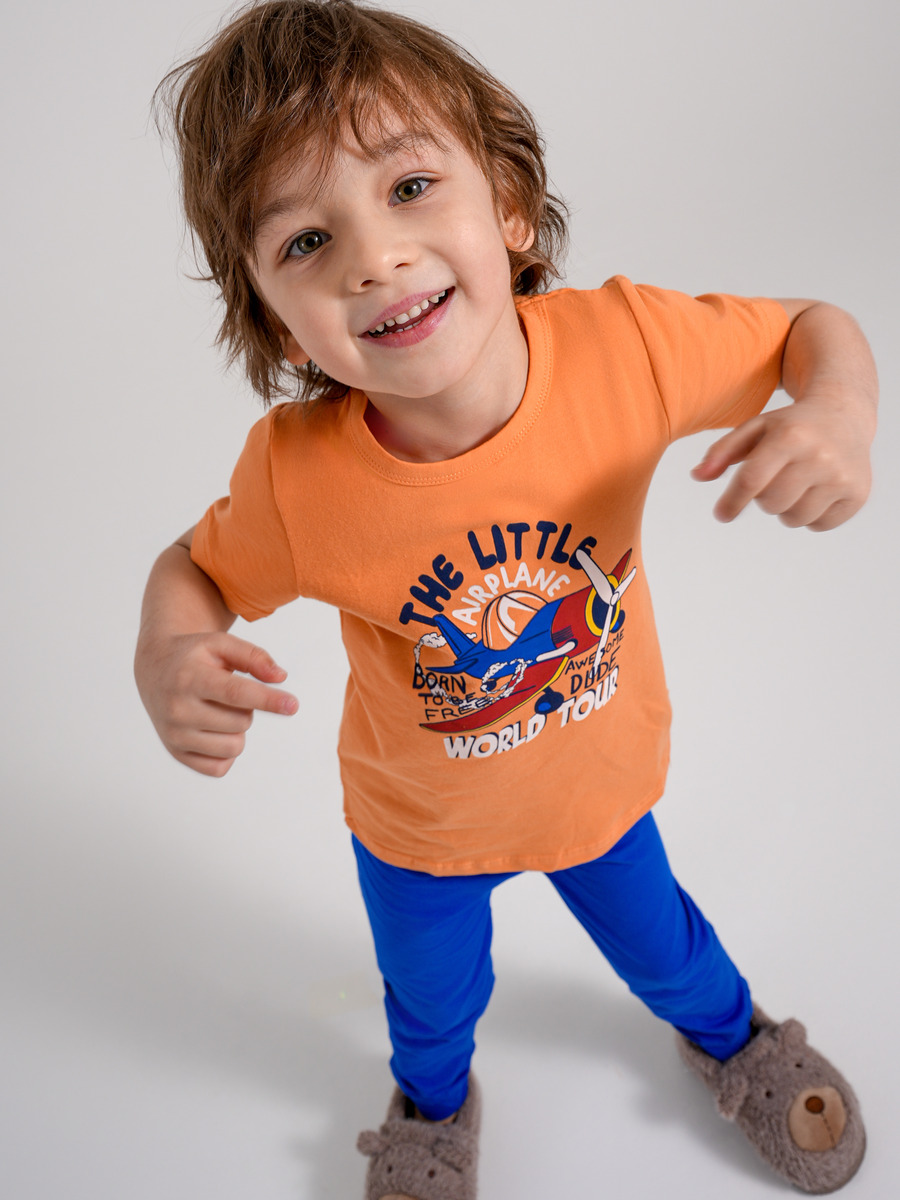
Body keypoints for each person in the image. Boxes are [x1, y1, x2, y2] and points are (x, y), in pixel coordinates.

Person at [135, 2, 877, 1196]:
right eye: (307, 241)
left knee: (672, 954)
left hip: (598, 792)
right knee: (430, 1007)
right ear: (279, 322)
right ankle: (432, 1108)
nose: (375, 257)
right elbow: (197, 572)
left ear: (511, 207)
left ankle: (734, 1038)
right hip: (418, 834)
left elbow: (807, 329)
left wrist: (836, 408)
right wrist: (169, 654)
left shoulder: (625, 351)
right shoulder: (298, 479)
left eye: (410, 187)